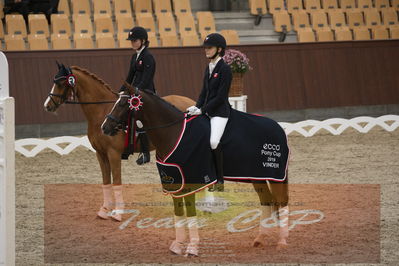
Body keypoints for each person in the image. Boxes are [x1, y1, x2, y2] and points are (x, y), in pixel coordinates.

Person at [187, 33, 232, 191]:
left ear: (219, 49)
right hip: (207, 110)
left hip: (220, 112)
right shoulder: (209, 67)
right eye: (205, 47)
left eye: (209, 47)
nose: (206, 50)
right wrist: (196, 107)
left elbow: (220, 97)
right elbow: (203, 92)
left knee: (213, 142)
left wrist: (202, 110)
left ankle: (220, 180)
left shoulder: (225, 69)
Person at [120, 26, 156, 165]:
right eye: (131, 41)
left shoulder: (148, 57)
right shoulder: (134, 56)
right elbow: (129, 77)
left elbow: (147, 79)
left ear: (143, 41)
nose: (132, 43)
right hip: (134, 92)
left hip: (146, 93)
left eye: (134, 40)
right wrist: (121, 92)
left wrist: (135, 91)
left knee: (139, 118)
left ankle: (145, 152)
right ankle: (126, 147)